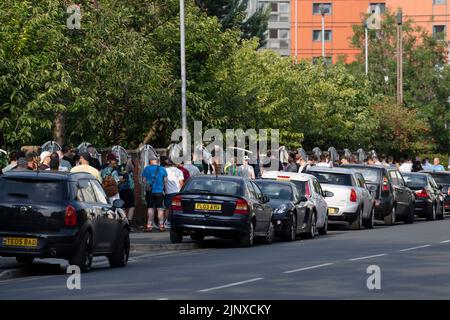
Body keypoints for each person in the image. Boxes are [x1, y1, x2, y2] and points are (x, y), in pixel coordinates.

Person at [142, 155, 167, 232]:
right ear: (157, 161)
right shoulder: (162, 169)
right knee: (160, 208)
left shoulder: (147, 169)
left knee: (150, 208)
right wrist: (163, 189)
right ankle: (161, 225)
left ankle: (149, 225)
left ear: (150, 161)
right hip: (159, 191)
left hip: (150, 191)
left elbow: (143, 181)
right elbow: (165, 181)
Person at [163, 159, 185, 229]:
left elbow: (163, 181)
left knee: (167, 208)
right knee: (176, 208)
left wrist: (164, 189)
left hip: (168, 192)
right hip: (177, 192)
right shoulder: (179, 171)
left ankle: (164, 222)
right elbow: (181, 183)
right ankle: (174, 222)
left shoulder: (165, 170)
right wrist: (182, 192)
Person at [119, 157, 136, 230]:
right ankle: (129, 222)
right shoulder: (129, 168)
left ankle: (124, 222)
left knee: (123, 206)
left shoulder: (120, 168)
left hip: (121, 189)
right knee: (131, 206)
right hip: (128, 189)